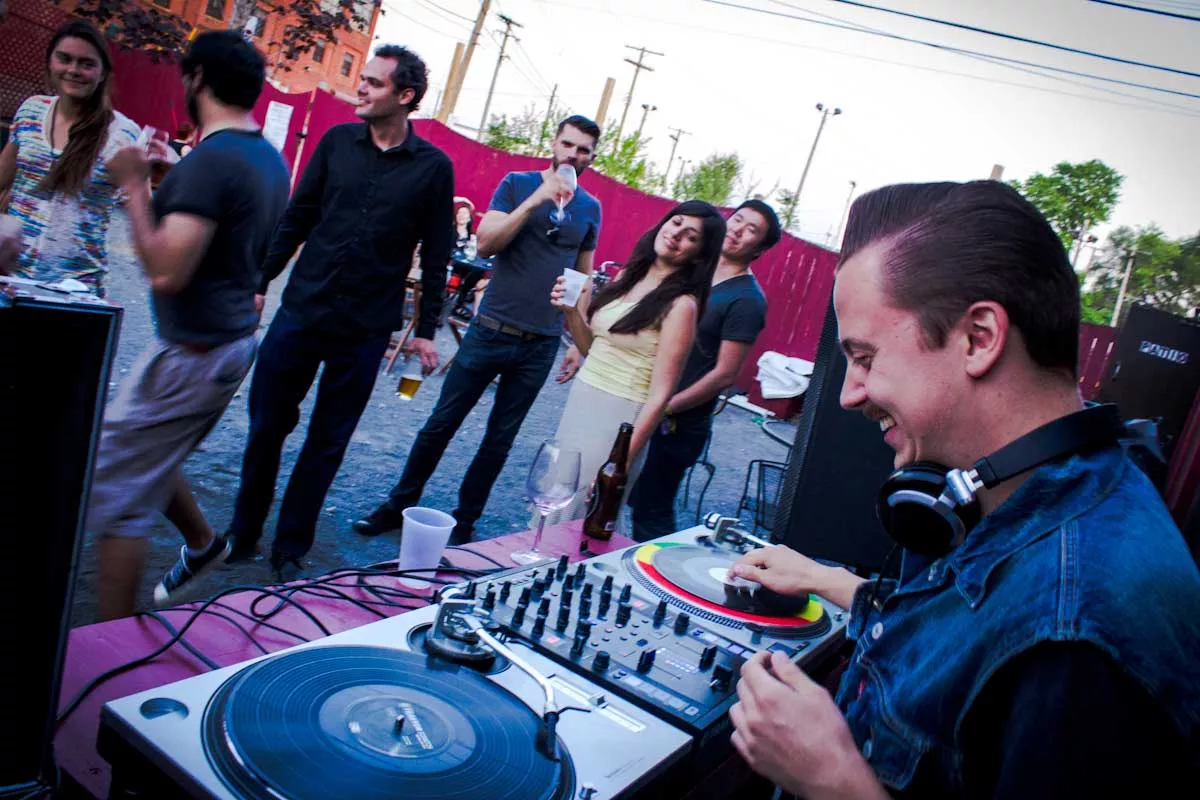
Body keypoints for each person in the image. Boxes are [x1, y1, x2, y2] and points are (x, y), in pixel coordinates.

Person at [726, 181, 1200, 798]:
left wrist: (834, 781)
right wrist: (828, 581)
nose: (849, 393)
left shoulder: (1078, 637)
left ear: (979, 337)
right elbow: (978, 626)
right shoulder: (1045, 488)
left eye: (865, 357)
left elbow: (1031, 624)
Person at [224, 45, 454, 580]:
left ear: (405, 96)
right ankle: (243, 531)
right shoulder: (335, 143)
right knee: (266, 426)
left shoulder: (433, 169)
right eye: (364, 80)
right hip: (302, 312)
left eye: (374, 83)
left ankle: (290, 546)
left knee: (327, 442)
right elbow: (297, 216)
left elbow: (439, 254)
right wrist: (261, 282)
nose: (362, 88)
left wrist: (425, 331)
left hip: (365, 328)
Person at [85, 31, 290, 619]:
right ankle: (204, 544)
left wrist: (131, 184)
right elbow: (226, 235)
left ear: (196, 78)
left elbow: (166, 271)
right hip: (223, 344)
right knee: (146, 450)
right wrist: (172, 180)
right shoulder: (264, 157)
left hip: (193, 353)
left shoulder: (214, 161)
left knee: (118, 495)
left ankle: (110, 646)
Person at [353, 116, 602, 543]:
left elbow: (584, 275)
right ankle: (397, 505)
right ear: (554, 142)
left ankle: (465, 522)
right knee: (441, 423)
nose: (572, 155)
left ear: (592, 157)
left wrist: (579, 337)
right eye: (567, 144)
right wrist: (537, 199)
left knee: (499, 441)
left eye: (583, 150)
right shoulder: (517, 183)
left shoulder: (590, 208)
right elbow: (486, 243)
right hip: (490, 330)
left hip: (539, 344)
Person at [544, 200, 725, 526]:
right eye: (675, 222)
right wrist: (571, 311)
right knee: (555, 498)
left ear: (700, 254)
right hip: (582, 401)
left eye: (691, 236)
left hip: (620, 417)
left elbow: (660, 396)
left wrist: (621, 462)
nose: (676, 234)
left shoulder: (681, 305)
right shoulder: (628, 276)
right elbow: (592, 349)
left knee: (585, 513)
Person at [624, 199, 781, 540]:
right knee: (613, 491)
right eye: (737, 219)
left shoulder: (747, 300)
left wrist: (667, 406)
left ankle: (657, 585)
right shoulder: (692, 270)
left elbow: (725, 374)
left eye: (751, 229)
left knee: (650, 509)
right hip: (638, 398)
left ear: (761, 248)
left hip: (677, 423)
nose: (737, 229)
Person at [0, 20, 144, 294]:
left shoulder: (124, 133)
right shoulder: (30, 112)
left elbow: (144, 218)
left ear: (102, 73)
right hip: (11, 284)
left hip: (75, 291)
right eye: (64, 59)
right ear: (50, 63)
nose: (73, 70)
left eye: (86, 63)